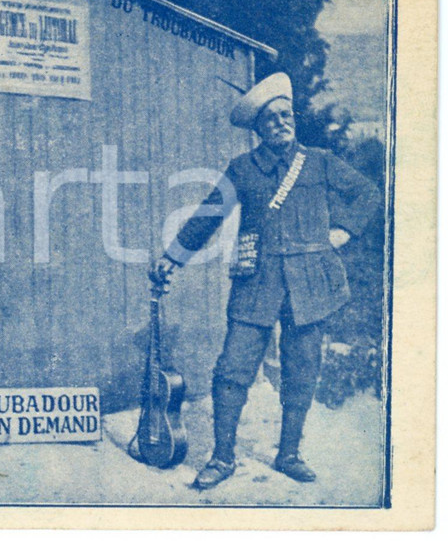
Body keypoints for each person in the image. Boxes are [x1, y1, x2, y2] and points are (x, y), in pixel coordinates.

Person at [149, 72, 380, 490]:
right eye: (271, 118)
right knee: (231, 371)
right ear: (258, 128)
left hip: (309, 284)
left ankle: (288, 454)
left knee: (302, 371)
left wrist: (343, 231)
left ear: (294, 118)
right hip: (256, 281)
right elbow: (208, 216)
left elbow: (368, 193)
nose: (280, 123)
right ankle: (222, 458)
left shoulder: (320, 161)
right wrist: (173, 257)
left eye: (285, 115)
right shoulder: (243, 169)